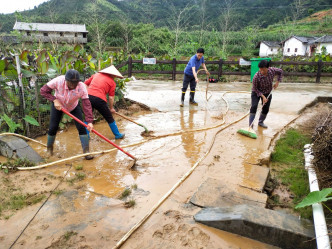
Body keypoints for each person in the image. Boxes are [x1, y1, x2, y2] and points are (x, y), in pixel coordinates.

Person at [40, 69, 94, 160]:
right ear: (66, 80)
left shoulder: (82, 87)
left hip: (73, 106)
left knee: (82, 127)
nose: (73, 85)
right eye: (70, 83)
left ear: (78, 82)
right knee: (53, 127)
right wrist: (54, 100)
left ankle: (86, 152)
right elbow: (43, 91)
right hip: (58, 105)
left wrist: (89, 121)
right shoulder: (58, 81)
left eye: (75, 83)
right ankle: (49, 150)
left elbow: (86, 104)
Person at [84, 65, 125, 139]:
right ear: (113, 75)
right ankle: (117, 134)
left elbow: (85, 83)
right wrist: (111, 108)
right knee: (109, 117)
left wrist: (88, 93)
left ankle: (86, 136)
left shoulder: (96, 75)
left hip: (88, 97)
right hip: (99, 99)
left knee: (88, 117)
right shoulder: (112, 82)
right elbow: (111, 97)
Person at [250, 60, 283, 128]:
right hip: (256, 92)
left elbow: (280, 71)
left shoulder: (272, 71)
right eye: (260, 69)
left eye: (263, 69)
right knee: (254, 106)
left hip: (267, 91)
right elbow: (255, 89)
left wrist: (277, 82)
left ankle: (261, 122)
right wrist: (262, 96)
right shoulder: (256, 76)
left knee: (266, 108)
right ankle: (250, 125)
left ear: (267, 68)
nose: (261, 71)